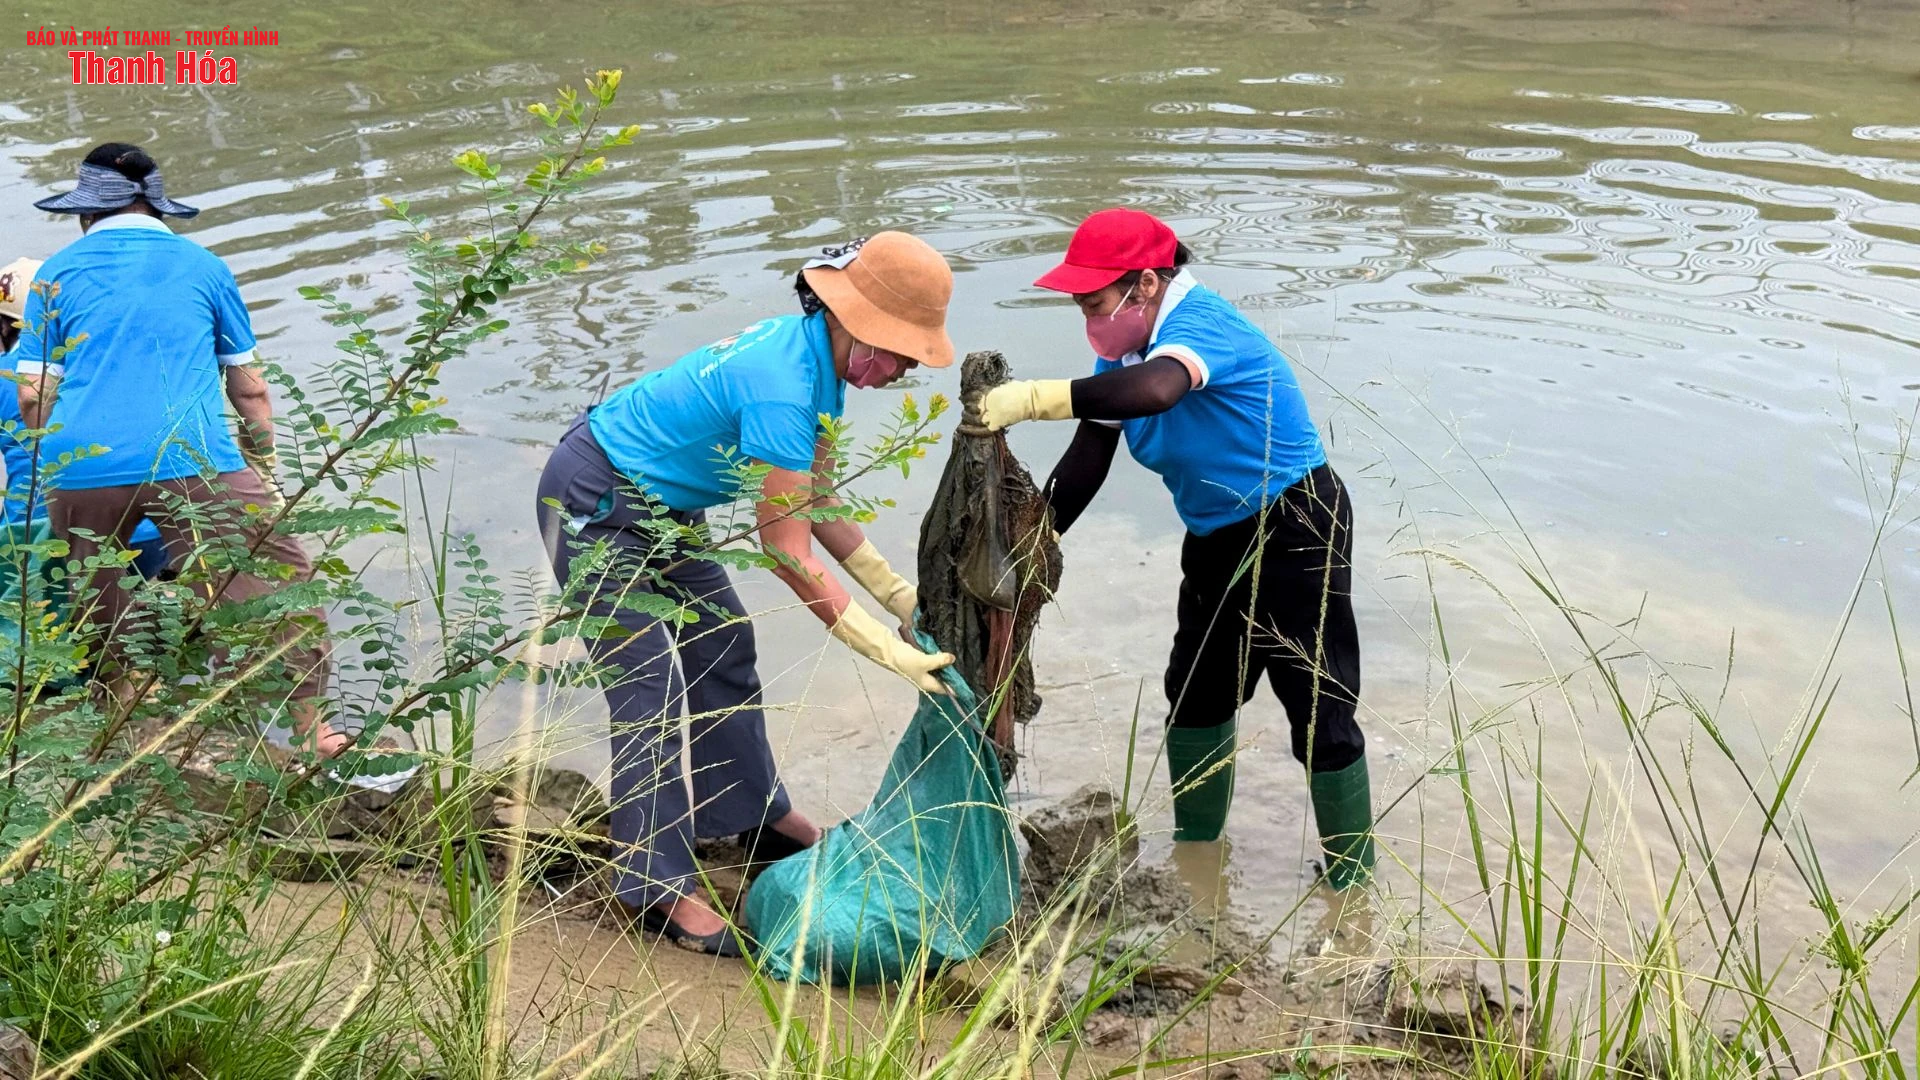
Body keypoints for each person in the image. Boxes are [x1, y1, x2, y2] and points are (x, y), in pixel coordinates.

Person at [535, 231, 957, 956]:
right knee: (649, 685)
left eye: (911, 360)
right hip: (595, 500)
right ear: (851, 322)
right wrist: (887, 652)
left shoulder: (820, 366)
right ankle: (655, 884)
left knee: (722, 639)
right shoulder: (785, 386)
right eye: (895, 352)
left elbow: (815, 500)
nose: (897, 372)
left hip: (663, 511)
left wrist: (900, 597)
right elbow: (787, 552)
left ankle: (753, 814)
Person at [982, 208, 1376, 891]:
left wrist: (1039, 398)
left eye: (1095, 301)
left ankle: (1353, 886)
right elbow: (1089, 456)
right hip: (1215, 534)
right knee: (1195, 696)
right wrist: (1033, 546)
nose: (1088, 318)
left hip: (1294, 522)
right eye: (1079, 304)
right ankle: (1199, 858)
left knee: (1318, 707)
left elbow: (1161, 388)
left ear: (1146, 285)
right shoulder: (1118, 352)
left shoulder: (1200, 325)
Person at [16, 143, 343, 754]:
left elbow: (34, 394)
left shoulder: (56, 273)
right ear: (156, 206)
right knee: (277, 580)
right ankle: (314, 733)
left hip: (84, 465)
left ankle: (118, 726)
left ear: (88, 212)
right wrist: (262, 464)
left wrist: (57, 463)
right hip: (195, 457)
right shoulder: (204, 266)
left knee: (99, 591)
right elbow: (251, 391)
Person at [0, 256, 168, 685]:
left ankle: (101, 679)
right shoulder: (103, 360)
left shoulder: (11, 377)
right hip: (150, 535)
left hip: (43, 542)